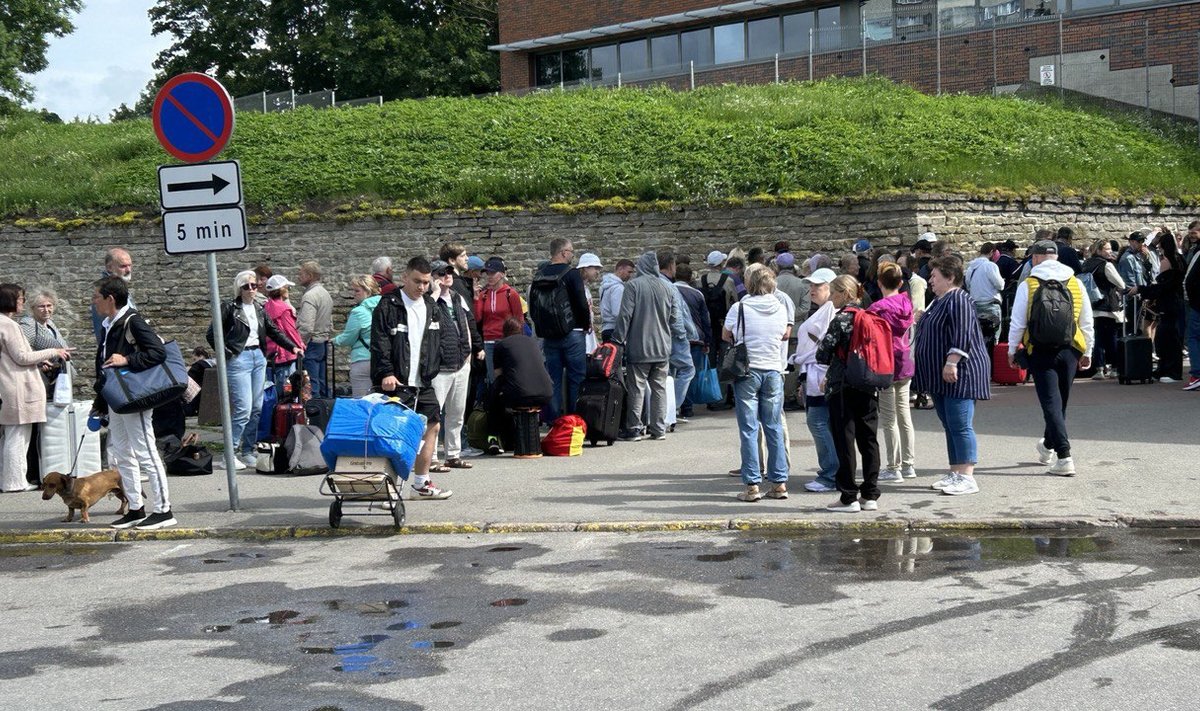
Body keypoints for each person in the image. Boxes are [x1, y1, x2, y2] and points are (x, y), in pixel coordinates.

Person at [90, 276, 176, 529]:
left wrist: (127, 360)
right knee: (121, 453)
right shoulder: (109, 323)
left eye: (96, 296)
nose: (93, 302)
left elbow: (158, 353)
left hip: (134, 397)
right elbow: (105, 365)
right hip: (117, 397)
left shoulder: (133, 321)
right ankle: (136, 508)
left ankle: (163, 510)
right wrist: (101, 400)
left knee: (145, 450)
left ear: (110, 299)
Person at [1007, 240, 1094, 477]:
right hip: (1070, 348)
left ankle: (1064, 456)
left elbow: (1017, 322)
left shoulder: (1029, 284)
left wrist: (1012, 351)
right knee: (1059, 402)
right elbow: (1086, 320)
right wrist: (1087, 352)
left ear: (1035, 258)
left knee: (1050, 403)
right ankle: (1047, 446)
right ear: (1056, 257)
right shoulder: (1075, 282)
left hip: (1040, 349)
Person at [371, 257, 452, 500]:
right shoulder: (388, 305)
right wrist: (386, 372)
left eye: (426, 283)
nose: (422, 287)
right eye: (417, 281)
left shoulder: (431, 305)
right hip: (396, 380)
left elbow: (437, 340)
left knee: (432, 426)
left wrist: (434, 367)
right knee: (393, 434)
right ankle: (388, 489)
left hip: (423, 380)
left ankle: (421, 483)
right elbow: (380, 342)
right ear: (404, 277)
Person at [208, 270, 302, 469]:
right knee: (243, 408)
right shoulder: (230, 308)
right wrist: (227, 353)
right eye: (246, 286)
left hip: (258, 357)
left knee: (257, 408)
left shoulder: (260, 308)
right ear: (239, 289)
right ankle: (229, 452)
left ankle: (247, 450)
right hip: (239, 358)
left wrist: (291, 346)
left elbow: (273, 331)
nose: (251, 289)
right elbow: (212, 334)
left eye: (254, 285)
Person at [914, 257, 991, 496]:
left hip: (960, 374)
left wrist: (951, 362)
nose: (930, 280)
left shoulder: (958, 299)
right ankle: (956, 472)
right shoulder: (939, 300)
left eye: (935, 276)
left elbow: (963, 332)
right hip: (941, 377)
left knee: (960, 425)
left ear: (950, 277)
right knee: (950, 425)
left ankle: (967, 476)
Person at [724, 264, 791, 502]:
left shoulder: (740, 307)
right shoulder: (781, 307)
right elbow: (784, 334)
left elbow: (726, 334)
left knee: (749, 429)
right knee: (773, 427)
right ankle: (779, 482)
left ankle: (752, 485)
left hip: (748, 370)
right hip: (773, 368)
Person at [816, 275, 881, 513]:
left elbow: (822, 355)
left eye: (833, 293)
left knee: (845, 440)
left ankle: (848, 496)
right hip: (868, 383)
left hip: (842, 386)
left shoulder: (841, 319)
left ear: (844, 293)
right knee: (869, 439)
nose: (831, 298)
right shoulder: (871, 317)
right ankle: (870, 494)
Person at [1, 285, 71, 493]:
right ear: (10, 300)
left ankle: (9, 480)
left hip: (7, 385)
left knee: (10, 435)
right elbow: (22, 357)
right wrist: (53, 351)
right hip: (16, 386)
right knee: (18, 436)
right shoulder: (9, 326)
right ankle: (14, 482)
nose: (22, 302)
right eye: (20, 299)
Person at [613, 251, 677, 442]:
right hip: (663, 347)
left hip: (640, 347)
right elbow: (674, 318)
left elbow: (625, 316)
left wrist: (617, 340)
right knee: (659, 389)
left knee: (637, 388)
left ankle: (634, 428)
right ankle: (658, 429)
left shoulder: (633, 286)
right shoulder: (668, 288)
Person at [429, 260, 484, 469]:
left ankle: (453, 453)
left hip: (461, 362)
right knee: (434, 414)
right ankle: (431, 457)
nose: (447, 276)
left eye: (449, 272)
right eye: (442, 273)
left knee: (457, 413)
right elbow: (425, 319)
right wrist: (434, 294)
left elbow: (469, 323)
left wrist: (474, 348)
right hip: (440, 365)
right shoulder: (428, 301)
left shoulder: (457, 297)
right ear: (433, 277)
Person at [790, 267, 840, 493]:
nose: (812, 290)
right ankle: (832, 472)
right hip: (815, 374)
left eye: (817, 286)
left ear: (830, 288)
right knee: (824, 423)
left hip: (822, 375)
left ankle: (830, 474)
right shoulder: (823, 311)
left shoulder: (830, 311)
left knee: (818, 422)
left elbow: (827, 346)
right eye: (811, 286)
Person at [530, 238, 591, 422]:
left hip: (549, 335)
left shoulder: (540, 274)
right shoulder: (571, 274)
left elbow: (534, 306)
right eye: (571, 251)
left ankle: (554, 421)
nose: (572, 255)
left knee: (553, 380)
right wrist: (585, 324)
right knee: (576, 378)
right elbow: (581, 302)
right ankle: (574, 421)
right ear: (563, 252)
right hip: (572, 333)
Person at [868, 263, 917, 483]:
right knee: (904, 414)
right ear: (900, 282)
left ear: (879, 283)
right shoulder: (907, 303)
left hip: (886, 363)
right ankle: (908, 464)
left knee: (889, 419)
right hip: (905, 359)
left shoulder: (877, 309)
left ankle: (893, 466)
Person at [1131, 229, 1186, 383]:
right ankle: (1166, 368)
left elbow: (1161, 286)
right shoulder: (1179, 259)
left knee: (1166, 338)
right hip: (1175, 303)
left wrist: (1142, 290)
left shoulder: (1167, 262)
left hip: (1168, 304)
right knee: (1170, 338)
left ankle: (1171, 371)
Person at [489, 317, 555, 443]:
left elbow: (498, 375)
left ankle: (494, 437)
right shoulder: (532, 342)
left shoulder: (501, 345)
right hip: (546, 394)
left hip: (520, 395)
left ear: (504, 331)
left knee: (494, 391)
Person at [1081, 239, 1126, 380]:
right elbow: (1121, 284)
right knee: (1111, 338)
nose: (1110, 251)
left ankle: (1099, 368)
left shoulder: (1086, 264)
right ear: (1099, 250)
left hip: (1091, 305)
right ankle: (1114, 368)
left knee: (1098, 339)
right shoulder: (1106, 265)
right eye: (1106, 249)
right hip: (1106, 305)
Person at [658, 250, 696, 420]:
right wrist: (683, 335)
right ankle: (671, 408)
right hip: (674, 336)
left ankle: (663, 409)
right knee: (687, 369)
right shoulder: (669, 287)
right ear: (671, 265)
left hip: (657, 335)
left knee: (665, 373)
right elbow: (677, 314)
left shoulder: (652, 283)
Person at [474, 257, 523, 383]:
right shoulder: (483, 295)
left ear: (501, 274)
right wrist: (476, 298)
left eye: (492, 273)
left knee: (510, 376)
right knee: (493, 378)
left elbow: (519, 319)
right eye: (487, 273)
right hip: (489, 341)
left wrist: (517, 341)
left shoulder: (511, 294)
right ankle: (495, 401)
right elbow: (478, 318)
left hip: (507, 340)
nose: (489, 276)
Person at [332, 275, 381, 397]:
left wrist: (334, 340)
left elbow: (348, 338)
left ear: (368, 290)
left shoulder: (359, 312)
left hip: (363, 359)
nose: (354, 294)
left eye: (357, 290)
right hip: (383, 360)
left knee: (362, 403)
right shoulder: (386, 307)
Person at [674, 263, 712, 419]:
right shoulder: (697, 294)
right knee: (689, 373)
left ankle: (674, 405)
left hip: (674, 337)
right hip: (695, 339)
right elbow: (705, 319)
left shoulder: (670, 290)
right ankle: (687, 406)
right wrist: (708, 341)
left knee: (675, 372)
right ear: (690, 278)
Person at [19, 288, 71, 399]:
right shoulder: (29, 324)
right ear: (33, 308)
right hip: (42, 379)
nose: (46, 309)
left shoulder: (49, 323)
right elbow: (22, 349)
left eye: (49, 305)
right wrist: (40, 361)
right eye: (41, 306)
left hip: (59, 376)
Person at [296, 260, 333, 398]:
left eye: (301, 273)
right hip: (322, 341)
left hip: (312, 342)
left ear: (310, 276)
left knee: (312, 382)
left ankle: (316, 414)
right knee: (322, 381)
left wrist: (300, 343)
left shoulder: (310, 296)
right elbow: (329, 320)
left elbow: (306, 325)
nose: (299, 276)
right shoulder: (325, 293)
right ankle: (325, 411)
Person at [262, 274, 304, 397]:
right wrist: (300, 347)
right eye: (287, 288)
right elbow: (291, 332)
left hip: (271, 354)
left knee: (274, 390)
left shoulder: (265, 307)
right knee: (289, 392)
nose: (289, 291)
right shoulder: (284, 309)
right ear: (282, 289)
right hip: (285, 354)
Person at [965, 242, 1005, 359]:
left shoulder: (971, 267)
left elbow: (968, 286)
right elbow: (1000, 285)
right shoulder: (991, 266)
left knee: (978, 338)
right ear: (992, 252)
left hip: (975, 306)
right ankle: (991, 367)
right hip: (991, 306)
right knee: (994, 339)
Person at [90, 248, 133, 343]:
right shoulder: (105, 293)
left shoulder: (120, 287)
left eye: (130, 265)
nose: (128, 270)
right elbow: (112, 329)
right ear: (109, 268)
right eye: (123, 266)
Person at [600, 258, 635, 343]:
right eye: (629, 272)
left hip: (606, 328)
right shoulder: (618, 288)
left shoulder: (604, 286)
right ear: (620, 269)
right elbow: (618, 312)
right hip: (615, 330)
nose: (630, 275)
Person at [577, 252, 604, 352]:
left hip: (588, 336)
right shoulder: (577, 288)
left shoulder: (585, 289)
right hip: (580, 337)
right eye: (595, 268)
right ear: (585, 268)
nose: (598, 272)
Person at [1185, 227, 1200, 391]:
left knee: (1194, 338)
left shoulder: (1197, 252)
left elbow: (1189, 280)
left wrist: (1191, 299)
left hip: (1197, 304)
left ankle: (1197, 375)